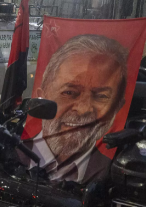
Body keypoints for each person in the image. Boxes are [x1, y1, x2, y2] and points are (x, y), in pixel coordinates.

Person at [24, 34, 129, 184]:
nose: (83, 109)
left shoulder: (116, 175)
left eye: (101, 96)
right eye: (69, 93)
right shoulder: (9, 154)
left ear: (116, 108)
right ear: (42, 97)